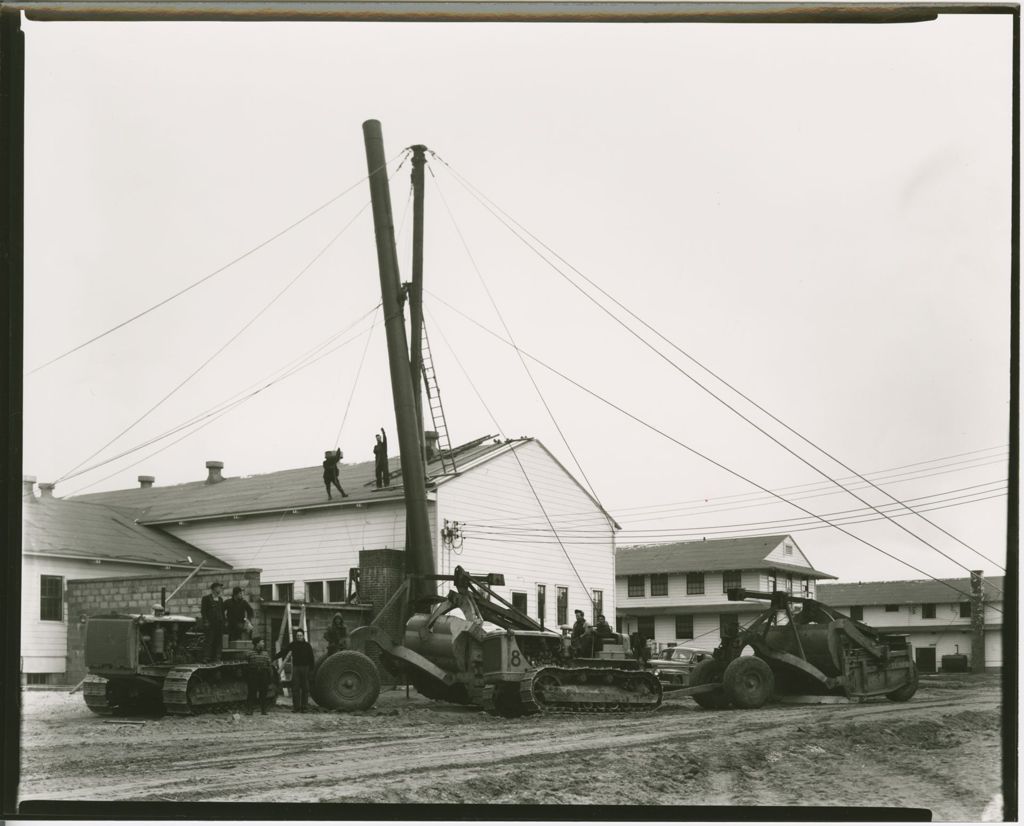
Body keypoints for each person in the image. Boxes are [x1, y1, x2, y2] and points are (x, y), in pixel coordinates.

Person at [274, 628, 315, 713]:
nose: (299, 637)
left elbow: (311, 658)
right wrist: (275, 657)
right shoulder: (293, 644)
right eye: (297, 636)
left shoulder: (307, 645)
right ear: (296, 637)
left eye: (300, 635)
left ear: (303, 636)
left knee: (305, 688)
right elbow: (284, 652)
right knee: (295, 688)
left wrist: (311, 670)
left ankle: (304, 707)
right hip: (296, 668)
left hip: (305, 668)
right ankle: (296, 707)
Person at [245, 637, 275, 715]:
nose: (263, 643)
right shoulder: (249, 653)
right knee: (252, 692)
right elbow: (246, 664)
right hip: (253, 674)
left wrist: (270, 676)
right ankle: (249, 710)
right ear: (257, 643)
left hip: (263, 674)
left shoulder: (266, 654)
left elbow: (269, 665)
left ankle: (263, 710)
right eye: (262, 642)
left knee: (263, 693)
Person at [200, 582, 226, 662]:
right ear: (214, 588)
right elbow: (203, 611)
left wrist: (224, 622)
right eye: (219, 587)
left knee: (218, 641)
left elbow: (222, 612)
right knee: (209, 640)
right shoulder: (206, 598)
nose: (220, 589)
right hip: (210, 624)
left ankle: (217, 657)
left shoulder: (220, 599)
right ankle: (206, 657)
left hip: (219, 624)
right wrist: (206, 621)